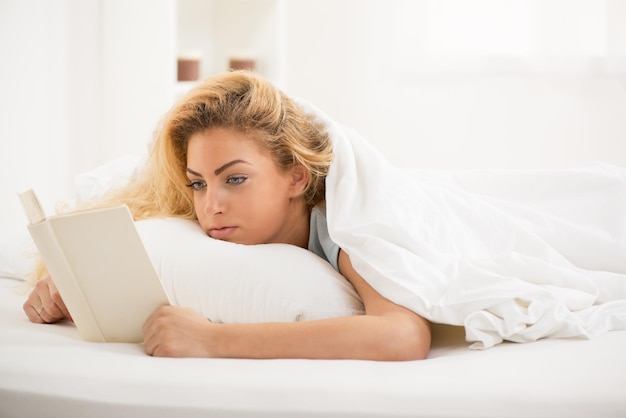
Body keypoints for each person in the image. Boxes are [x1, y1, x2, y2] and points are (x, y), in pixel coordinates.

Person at [22, 71, 432, 361]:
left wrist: (212, 340)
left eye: (235, 179)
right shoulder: (197, 219)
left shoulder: (341, 225)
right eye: (198, 183)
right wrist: (72, 288)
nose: (210, 206)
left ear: (296, 178)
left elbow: (403, 335)